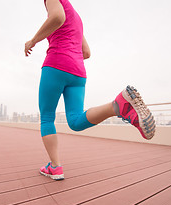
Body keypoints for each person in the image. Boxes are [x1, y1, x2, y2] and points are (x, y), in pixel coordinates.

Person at [25, 0, 155, 180]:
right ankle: (116, 106)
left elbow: (57, 17)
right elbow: (86, 52)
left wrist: (33, 40)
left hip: (56, 64)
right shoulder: (76, 17)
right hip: (78, 71)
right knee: (76, 121)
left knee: (47, 117)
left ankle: (55, 167)